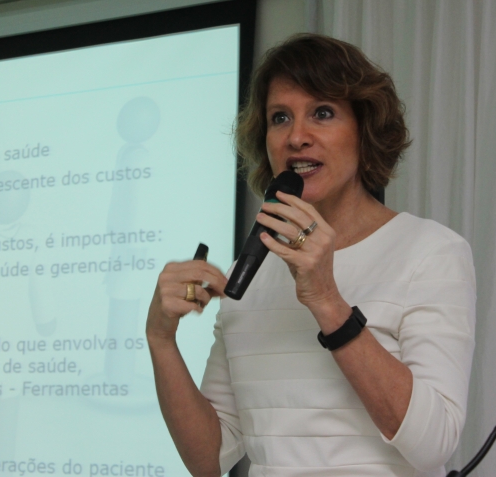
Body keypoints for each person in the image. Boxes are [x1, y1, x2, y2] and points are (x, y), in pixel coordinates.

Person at [146, 34, 476, 477]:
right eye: (280, 118)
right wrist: (161, 341)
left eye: (322, 113)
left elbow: (435, 444)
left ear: (365, 128)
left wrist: (326, 299)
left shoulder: (431, 251)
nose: (296, 137)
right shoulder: (253, 273)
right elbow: (210, 457)